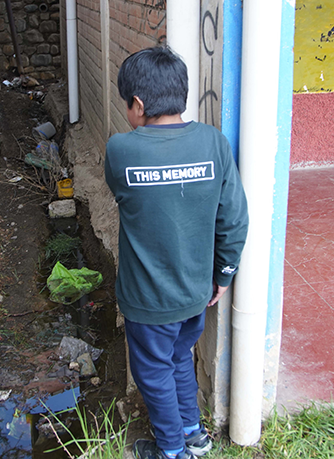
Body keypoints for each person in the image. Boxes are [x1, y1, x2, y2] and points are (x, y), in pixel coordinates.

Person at [103, 46, 250, 459]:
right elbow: (234, 219)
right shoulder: (213, 143)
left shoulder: (121, 151)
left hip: (149, 300)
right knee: (179, 357)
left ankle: (172, 451)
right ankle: (195, 434)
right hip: (196, 291)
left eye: (127, 106)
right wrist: (223, 275)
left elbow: (121, 192)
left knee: (153, 371)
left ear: (138, 104)